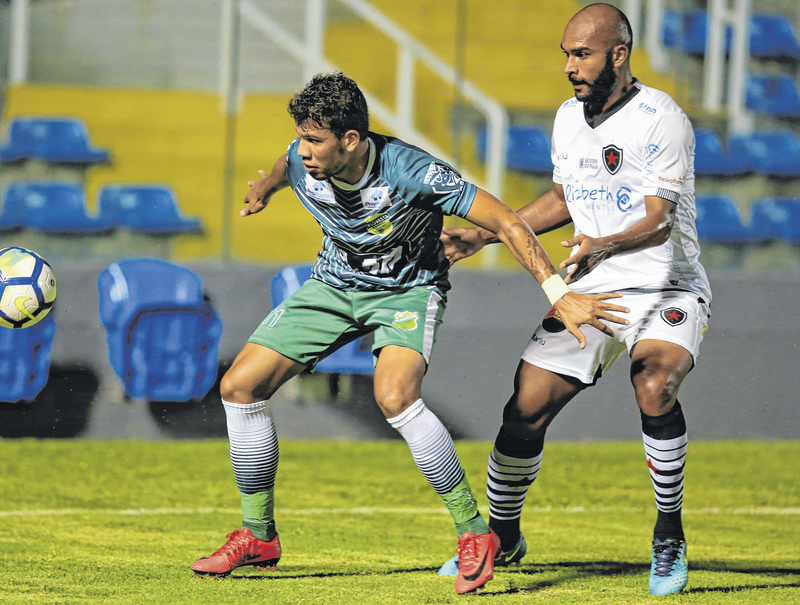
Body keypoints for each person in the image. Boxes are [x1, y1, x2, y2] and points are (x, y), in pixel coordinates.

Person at [189, 71, 628, 594]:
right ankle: (258, 536)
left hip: (407, 291)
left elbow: (508, 221)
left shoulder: (412, 172)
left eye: (314, 140)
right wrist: (265, 186)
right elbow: (288, 164)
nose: (303, 150)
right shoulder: (303, 157)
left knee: (394, 396)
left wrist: (559, 292)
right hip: (332, 285)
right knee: (239, 388)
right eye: (302, 138)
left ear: (351, 141)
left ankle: (475, 533)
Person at [437, 3, 710, 597]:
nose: (569, 66)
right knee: (524, 408)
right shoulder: (567, 117)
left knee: (653, 385)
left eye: (581, 53)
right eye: (565, 54)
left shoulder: (662, 119)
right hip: (591, 286)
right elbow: (563, 198)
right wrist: (484, 234)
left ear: (618, 54)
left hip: (667, 284)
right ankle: (502, 536)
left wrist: (603, 242)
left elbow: (660, 220)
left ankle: (669, 535)